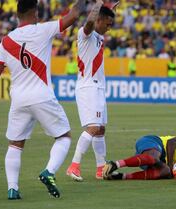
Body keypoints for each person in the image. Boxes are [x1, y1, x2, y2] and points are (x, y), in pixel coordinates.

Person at [0, 0, 85, 199]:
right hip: (42, 96)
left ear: (17, 14)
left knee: (15, 144)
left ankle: (12, 189)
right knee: (64, 137)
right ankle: (49, 172)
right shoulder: (43, 29)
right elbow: (73, 16)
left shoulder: (7, 41)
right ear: (35, 12)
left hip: (18, 100)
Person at [66, 0, 118, 181]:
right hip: (88, 87)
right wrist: (99, 4)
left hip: (98, 87)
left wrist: (109, 8)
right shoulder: (85, 34)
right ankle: (74, 166)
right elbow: (89, 22)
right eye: (108, 24)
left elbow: (102, 18)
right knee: (94, 127)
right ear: (99, 20)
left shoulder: (99, 36)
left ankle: (100, 169)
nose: (109, 28)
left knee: (101, 129)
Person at [102, 134, 176, 180]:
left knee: (165, 172)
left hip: (151, 161)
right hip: (153, 143)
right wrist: (171, 166)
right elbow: (171, 143)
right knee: (155, 157)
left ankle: (122, 176)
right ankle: (115, 164)